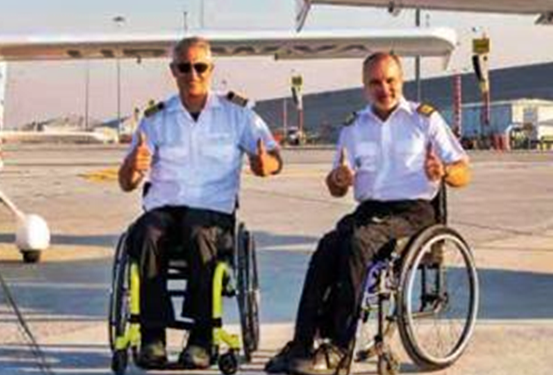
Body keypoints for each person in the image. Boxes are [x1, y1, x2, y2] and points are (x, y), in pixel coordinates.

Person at [265, 52, 471, 375]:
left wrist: (443, 170)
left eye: (390, 80)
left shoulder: (424, 119)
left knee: (359, 244)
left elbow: (464, 172)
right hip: (371, 211)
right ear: (364, 86)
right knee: (328, 247)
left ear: (400, 81)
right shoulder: (354, 127)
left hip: (415, 213)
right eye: (375, 82)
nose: (384, 88)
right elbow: (335, 184)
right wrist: (339, 180)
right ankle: (302, 343)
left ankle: (340, 346)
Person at [118, 36, 282, 369]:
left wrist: (266, 165)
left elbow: (273, 156)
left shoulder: (238, 115)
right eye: (184, 67)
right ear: (173, 71)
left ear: (211, 69)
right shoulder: (155, 118)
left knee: (197, 229)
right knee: (148, 232)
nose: (192, 73)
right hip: (163, 211)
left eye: (200, 66)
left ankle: (201, 338)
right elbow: (126, 182)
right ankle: (152, 336)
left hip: (211, 214)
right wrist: (133, 168)